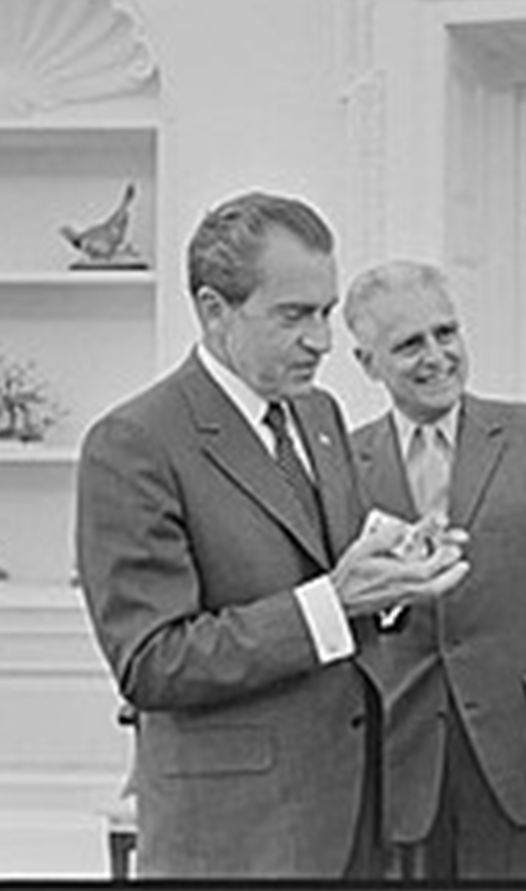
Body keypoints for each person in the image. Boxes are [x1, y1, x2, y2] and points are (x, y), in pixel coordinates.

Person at [75, 193, 468, 879]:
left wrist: (396, 575)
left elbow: (335, 577)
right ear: (214, 310)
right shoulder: (134, 443)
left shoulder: (319, 414)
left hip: (352, 819)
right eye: (294, 315)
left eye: (325, 312)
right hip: (236, 841)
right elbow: (153, 662)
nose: (321, 339)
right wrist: (333, 603)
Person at [342, 260, 526, 879]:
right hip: (396, 763)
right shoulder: (344, 464)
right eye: (410, 344)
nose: (437, 356)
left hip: (524, 755)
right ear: (367, 363)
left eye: (446, 332)